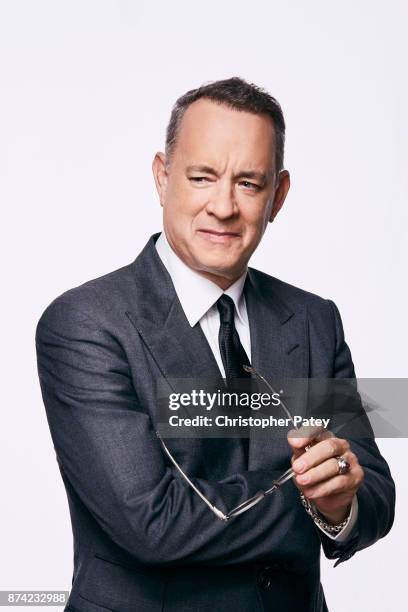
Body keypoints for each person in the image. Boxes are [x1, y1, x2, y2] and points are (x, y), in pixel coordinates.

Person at [35, 77, 395, 612]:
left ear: (279, 195)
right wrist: (313, 502)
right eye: (202, 177)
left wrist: (342, 508)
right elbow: (151, 523)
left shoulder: (314, 321)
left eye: (249, 183)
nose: (223, 207)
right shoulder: (85, 323)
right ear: (162, 178)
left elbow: (373, 492)